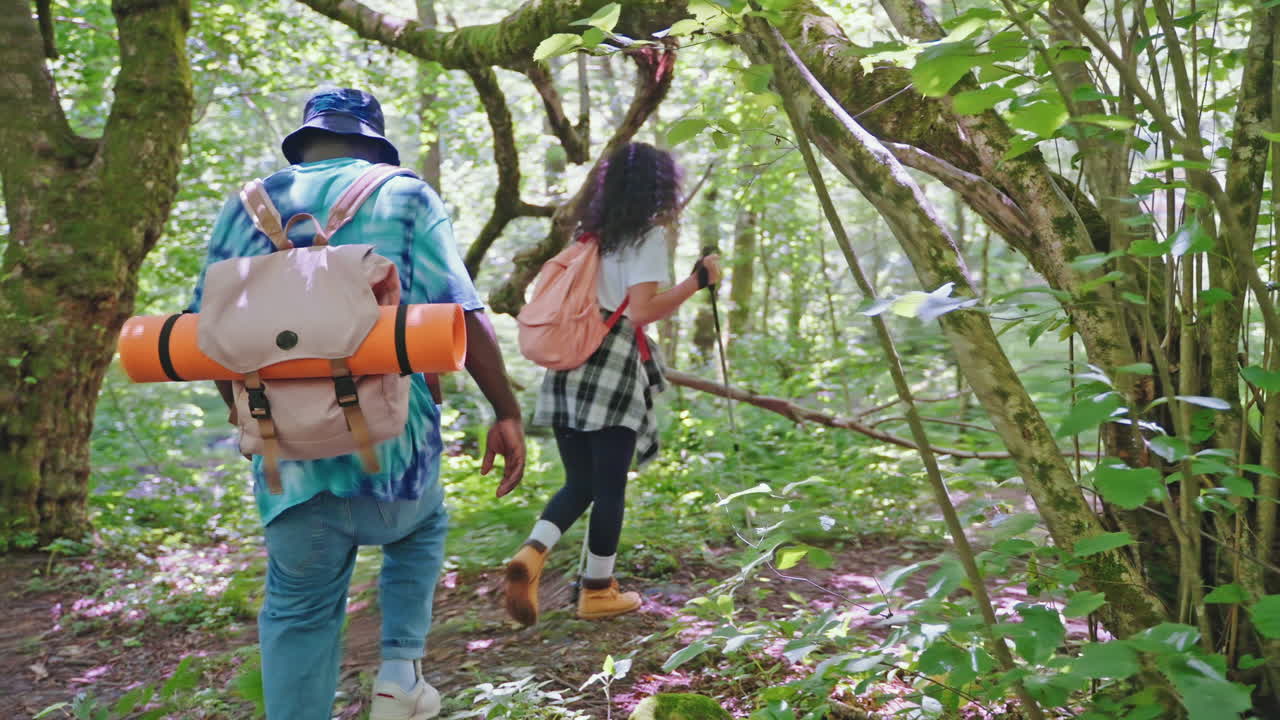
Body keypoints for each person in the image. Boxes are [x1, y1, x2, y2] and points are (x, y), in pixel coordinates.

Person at [187, 88, 526, 720]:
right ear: (372, 141)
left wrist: (259, 423)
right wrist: (505, 410)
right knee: (423, 525)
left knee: (296, 607)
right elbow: (465, 313)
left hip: (288, 464)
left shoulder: (244, 209)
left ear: (305, 142)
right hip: (394, 455)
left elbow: (205, 336)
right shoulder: (403, 193)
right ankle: (400, 673)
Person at [504, 142, 721, 625]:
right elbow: (641, 312)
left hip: (565, 367)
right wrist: (696, 284)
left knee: (580, 480)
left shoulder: (587, 237)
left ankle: (532, 554)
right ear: (659, 186)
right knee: (610, 486)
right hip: (610, 363)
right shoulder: (645, 238)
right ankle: (597, 591)